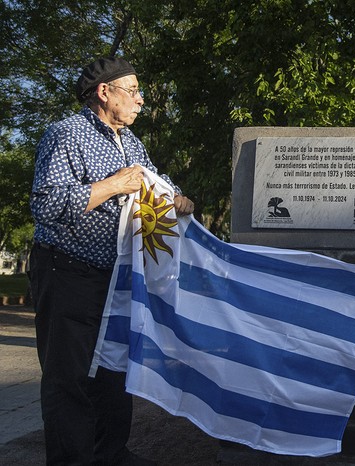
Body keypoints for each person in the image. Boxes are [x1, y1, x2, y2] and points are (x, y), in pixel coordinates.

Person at [29, 57, 195, 465]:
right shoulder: (65, 134)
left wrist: (177, 199)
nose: (141, 100)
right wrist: (112, 185)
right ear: (105, 92)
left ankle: (111, 453)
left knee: (114, 369)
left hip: (116, 277)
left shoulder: (131, 143)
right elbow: (47, 205)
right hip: (66, 270)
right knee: (69, 377)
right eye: (133, 91)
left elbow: (154, 182)